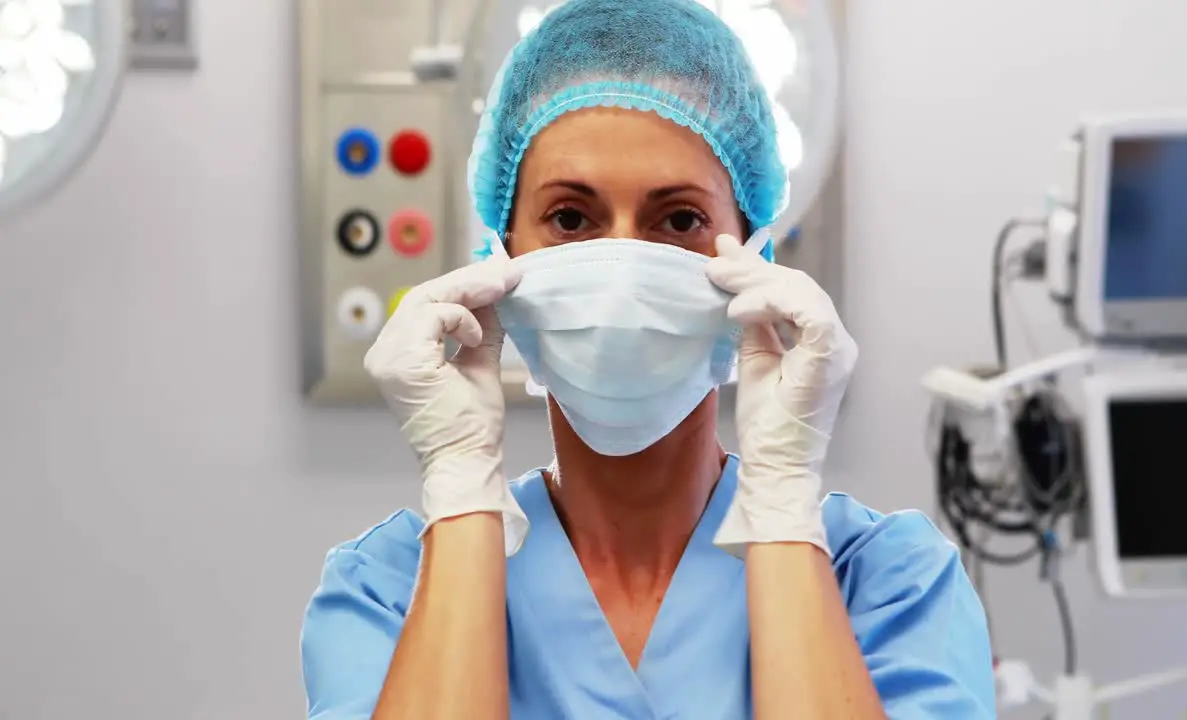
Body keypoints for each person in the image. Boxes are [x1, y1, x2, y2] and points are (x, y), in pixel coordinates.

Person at [300, 1, 996, 718]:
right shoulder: (388, 588)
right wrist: (460, 486)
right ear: (499, 257)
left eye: (680, 219)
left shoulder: (889, 582)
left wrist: (783, 504)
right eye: (571, 218)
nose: (626, 262)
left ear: (757, 255)